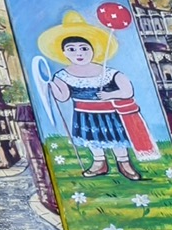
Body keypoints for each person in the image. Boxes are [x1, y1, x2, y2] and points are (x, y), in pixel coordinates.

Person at [39, 11, 155, 180]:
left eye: (84, 48)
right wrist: (51, 85)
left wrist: (111, 94)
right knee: (92, 140)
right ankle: (99, 163)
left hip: (109, 114)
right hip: (84, 115)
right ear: (64, 52)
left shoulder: (108, 72)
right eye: (71, 49)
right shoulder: (63, 75)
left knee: (116, 139)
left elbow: (128, 91)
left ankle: (124, 163)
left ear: (93, 50)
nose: (79, 53)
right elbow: (63, 97)